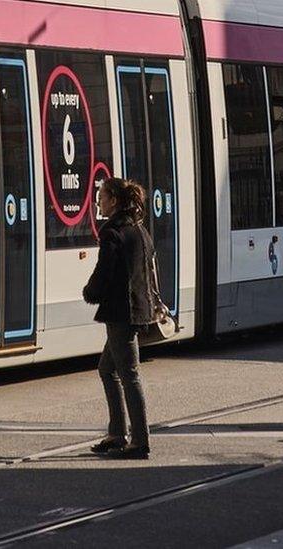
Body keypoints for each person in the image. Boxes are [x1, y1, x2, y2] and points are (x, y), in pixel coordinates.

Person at [82, 178, 155, 460]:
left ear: (113, 200)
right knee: (107, 368)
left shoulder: (112, 232)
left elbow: (105, 271)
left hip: (120, 313)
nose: (98, 201)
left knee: (128, 374)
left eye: (101, 196)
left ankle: (138, 440)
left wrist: (91, 292)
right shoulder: (138, 230)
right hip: (136, 309)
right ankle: (117, 433)